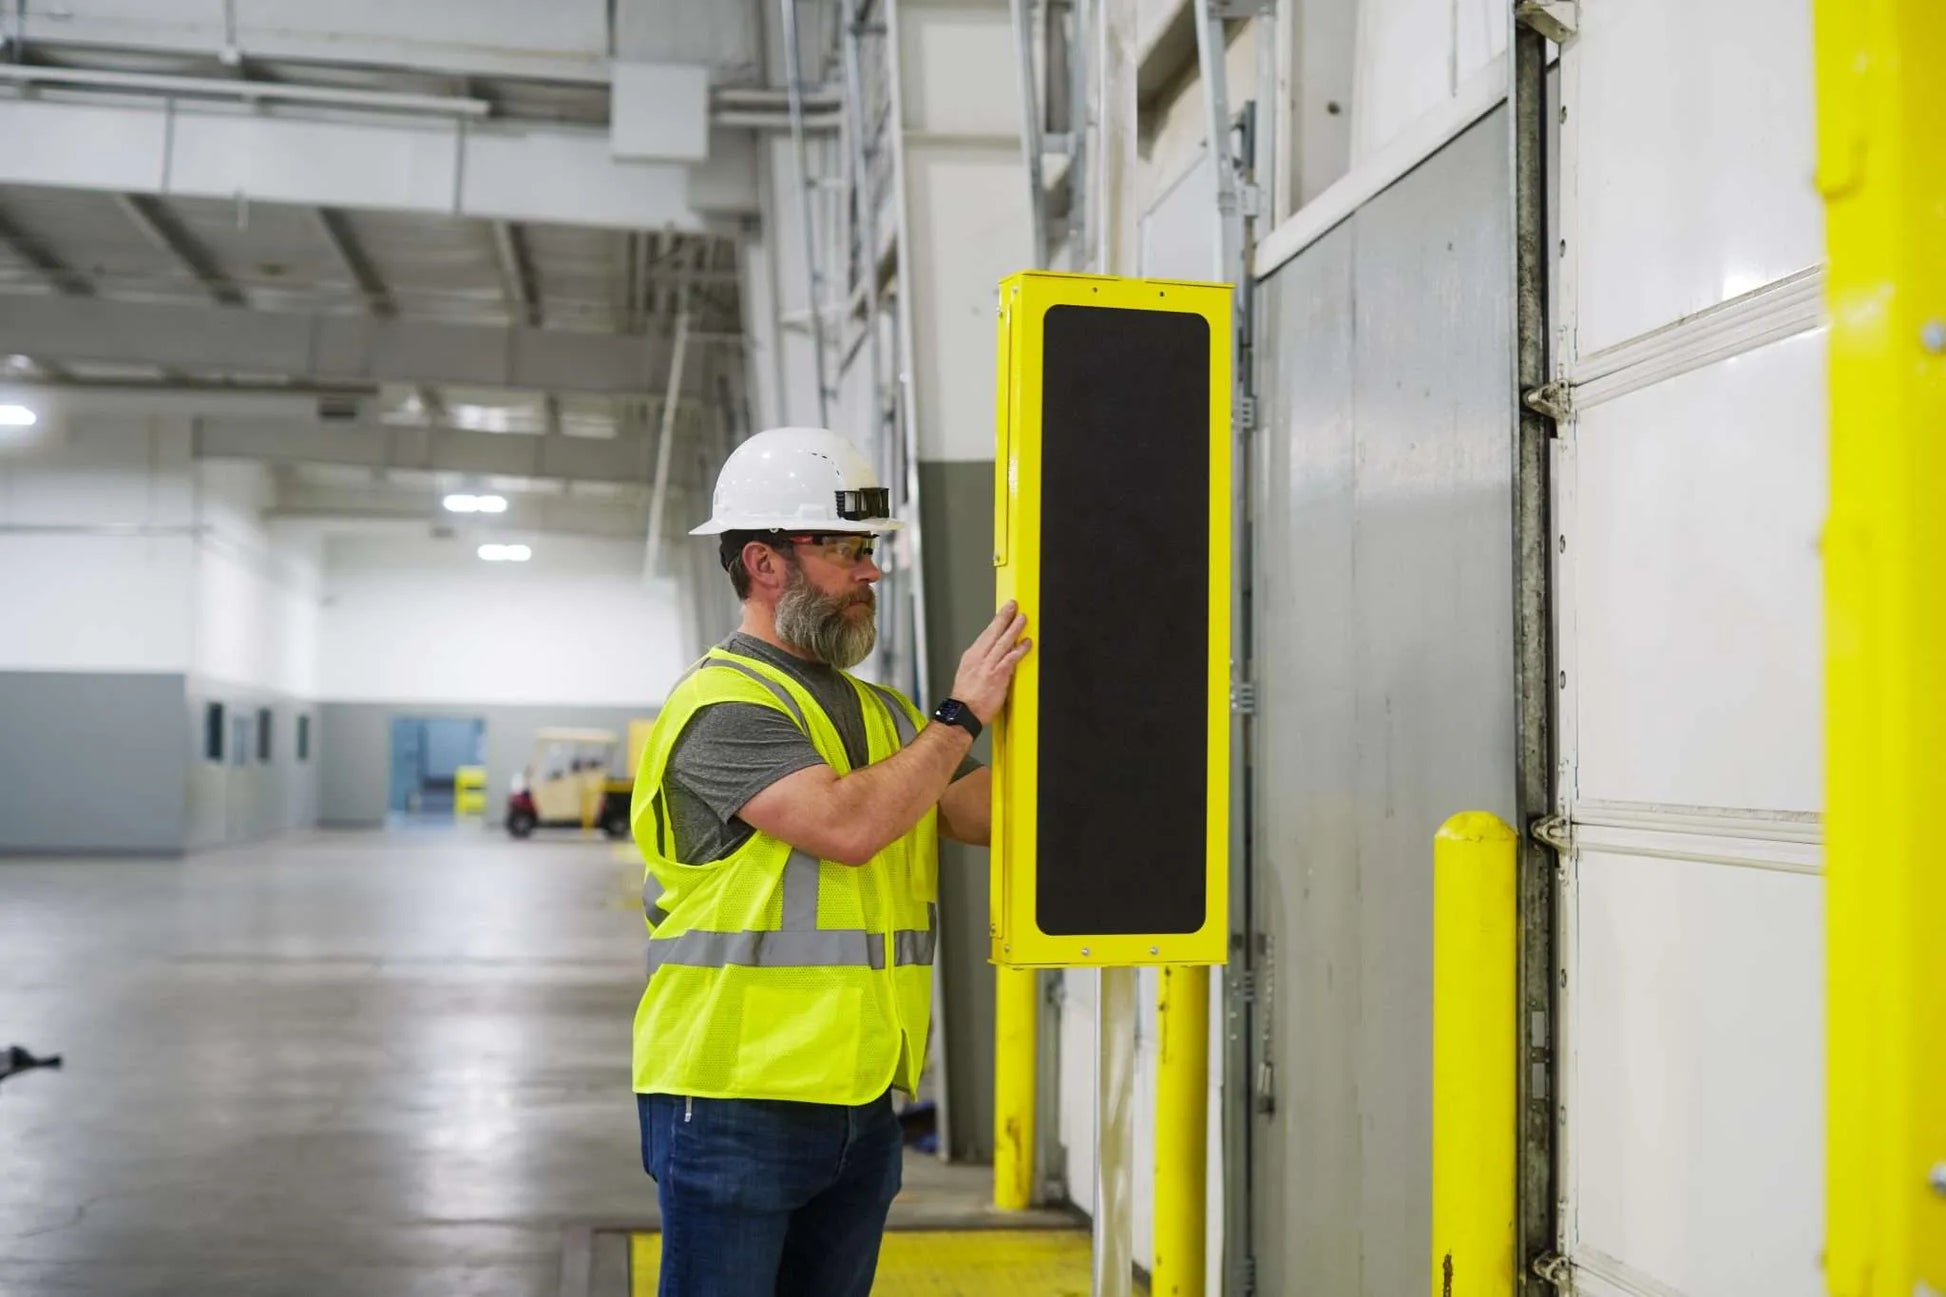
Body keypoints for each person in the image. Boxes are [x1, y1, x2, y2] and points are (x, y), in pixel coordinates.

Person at [629, 425, 1030, 1296]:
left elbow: (967, 809)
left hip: (858, 1101)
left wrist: (1087, 714)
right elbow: (846, 825)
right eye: (848, 549)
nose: (871, 572)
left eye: (870, 549)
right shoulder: (722, 707)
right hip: (736, 1097)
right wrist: (960, 716)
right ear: (766, 563)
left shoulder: (884, 715)